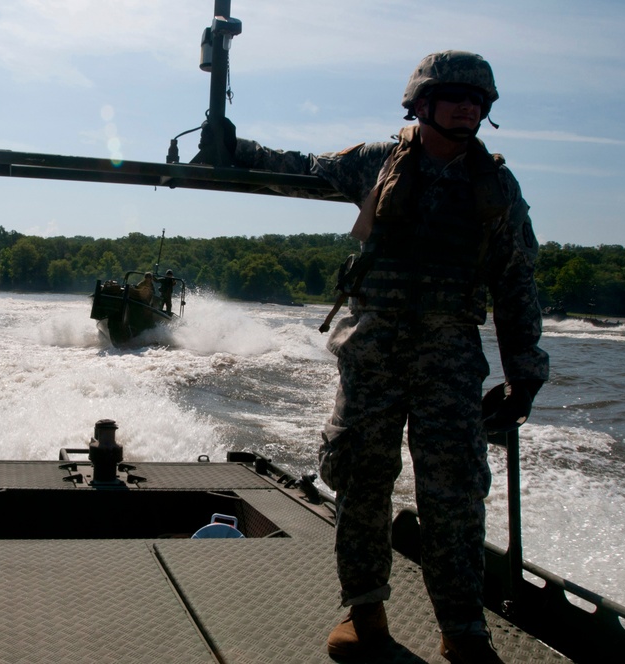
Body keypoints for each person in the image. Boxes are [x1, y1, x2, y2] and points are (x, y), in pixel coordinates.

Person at [230, 51, 549, 663]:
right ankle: (365, 612)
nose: (468, 107)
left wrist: (524, 376)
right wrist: (235, 147)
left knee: (454, 493)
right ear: (420, 103)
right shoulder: (379, 163)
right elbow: (301, 169)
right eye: (454, 95)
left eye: (477, 99)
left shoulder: (496, 187)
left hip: (449, 361)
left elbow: (516, 283)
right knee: (360, 479)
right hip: (372, 353)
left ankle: (462, 631)